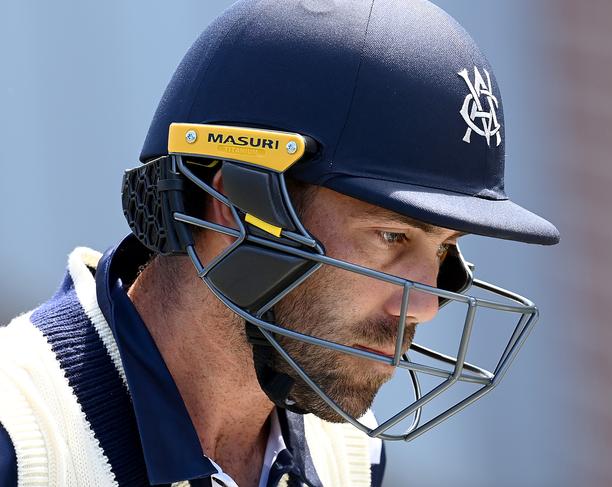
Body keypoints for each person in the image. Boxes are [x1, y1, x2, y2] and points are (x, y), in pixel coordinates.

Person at [0, 0, 560, 486]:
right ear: (239, 209)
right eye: (391, 235)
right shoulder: (20, 442)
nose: (428, 305)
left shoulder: (348, 456)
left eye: (443, 249)